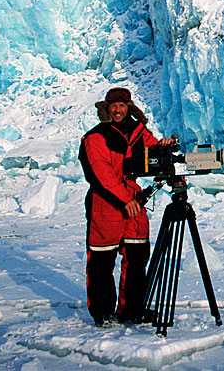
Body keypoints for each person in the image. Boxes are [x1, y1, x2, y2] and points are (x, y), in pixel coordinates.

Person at [78, 87, 174, 326]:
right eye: (114, 106)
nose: (118, 110)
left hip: (133, 200)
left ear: (129, 107)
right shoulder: (96, 137)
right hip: (106, 203)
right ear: (106, 108)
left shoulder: (138, 132)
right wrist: (124, 199)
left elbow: (151, 153)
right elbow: (101, 175)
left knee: (137, 256)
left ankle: (132, 310)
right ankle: (103, 313)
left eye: (122, 105)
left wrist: (163, 146)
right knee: (102, 260)